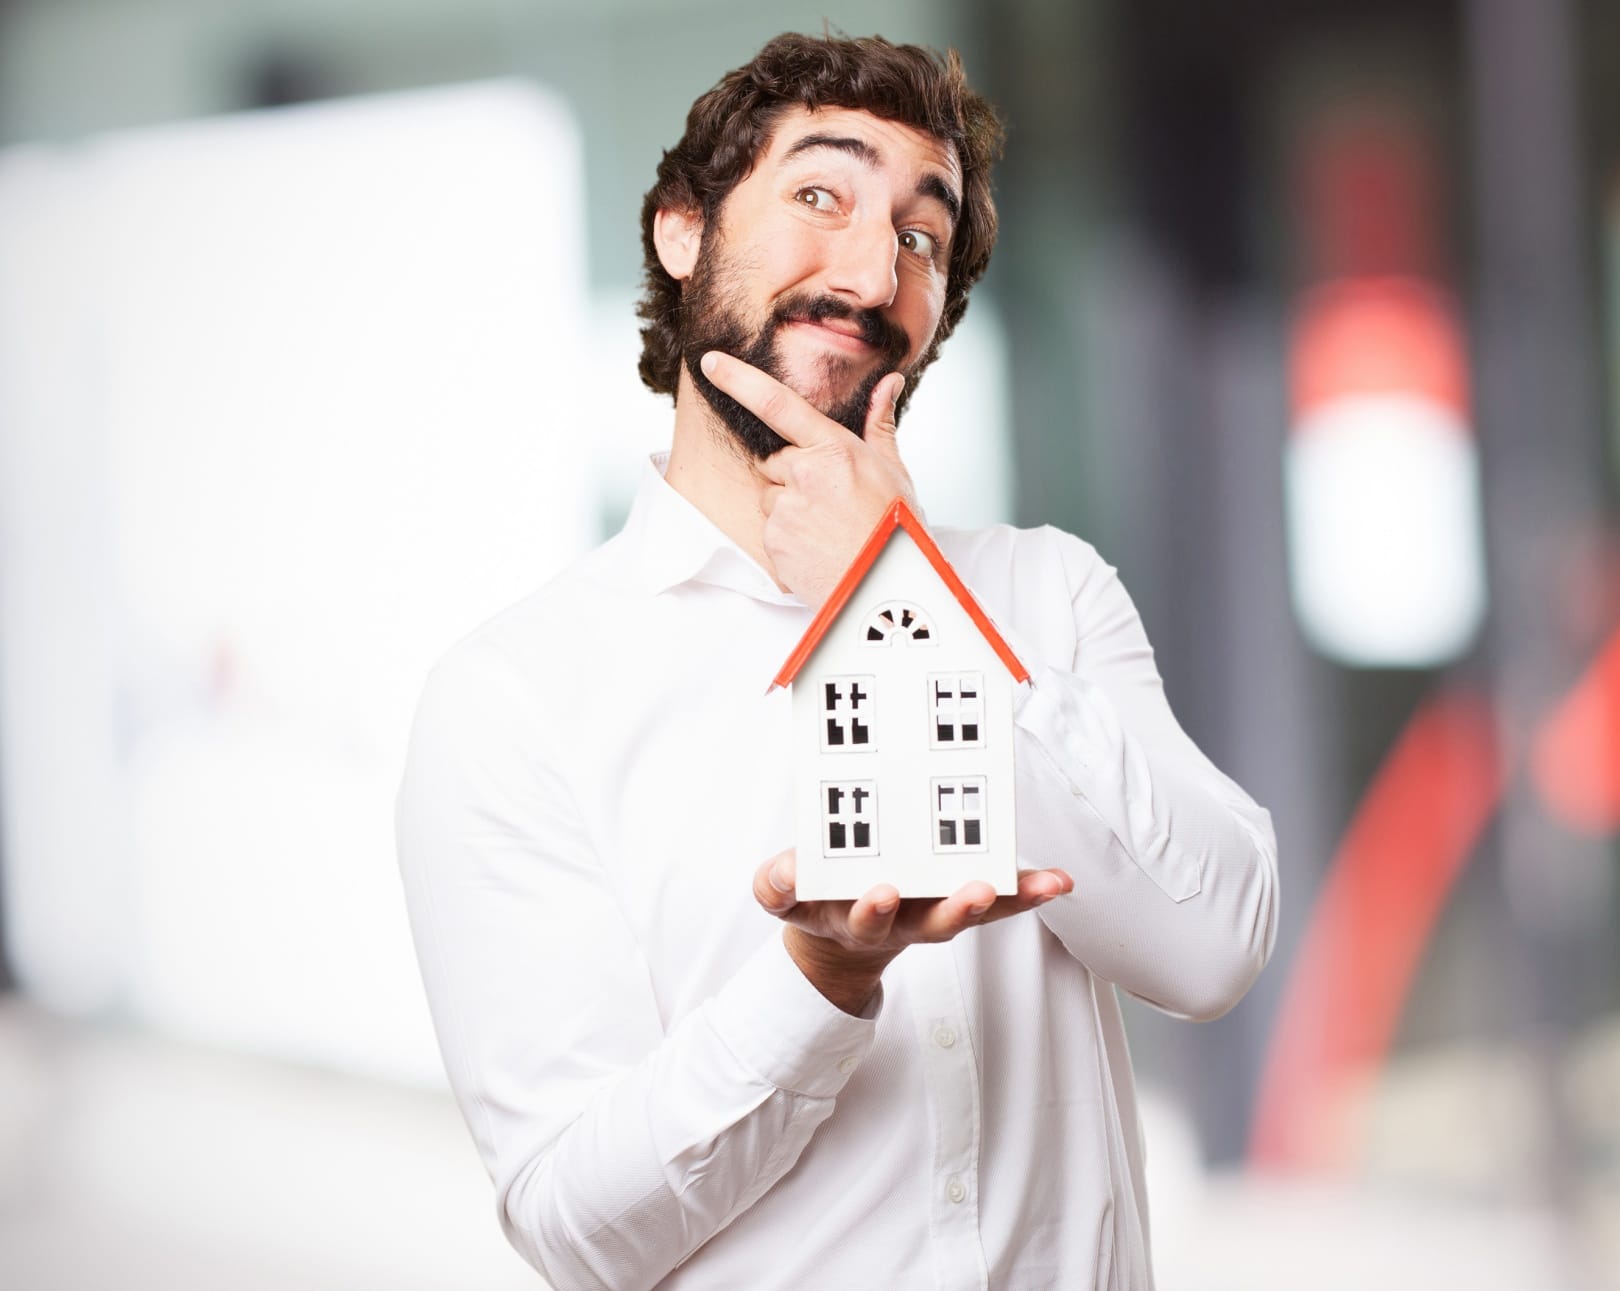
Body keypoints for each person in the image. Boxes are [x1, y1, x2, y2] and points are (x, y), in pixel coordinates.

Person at [396, 32, 1278, 1291]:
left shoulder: (1045, 590)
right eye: (820, 196)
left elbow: (1213, 945)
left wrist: (897, 594)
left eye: (921, 237)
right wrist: (820, 981)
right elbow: (576, 1231)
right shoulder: (515, 700)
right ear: (680, 232)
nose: (872, 268)